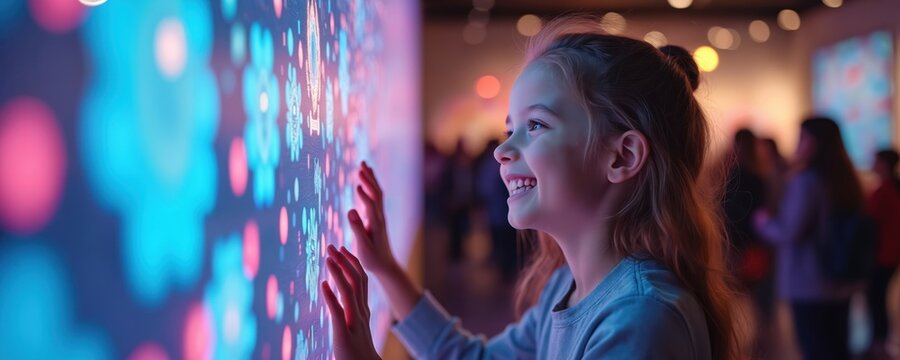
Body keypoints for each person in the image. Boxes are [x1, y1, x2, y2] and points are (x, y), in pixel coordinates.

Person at [322, 16, 739, 359]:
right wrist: (386, 268)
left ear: (622, 157)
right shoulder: (568, 287)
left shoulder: (641, 318)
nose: (503, 149)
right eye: (509, 129)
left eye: (535, 125)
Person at [754, 117, 864, 360]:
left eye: (802, 138)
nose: (798, 145)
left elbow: (789, 231)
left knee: (815, 349)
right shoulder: (845, 180)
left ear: (814, 143)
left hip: (810, 283)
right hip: (841, 279)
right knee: (837, 348)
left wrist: (763, 222)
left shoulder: (807, 181)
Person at [866, 149, 900, 358]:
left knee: (875, 299)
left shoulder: (883, 192)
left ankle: (878, 343)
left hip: (881, 254)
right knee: (879, 299)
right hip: (892, 253)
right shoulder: (893, 189)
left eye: (875, 161)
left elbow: (870, 223)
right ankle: (880, 342)